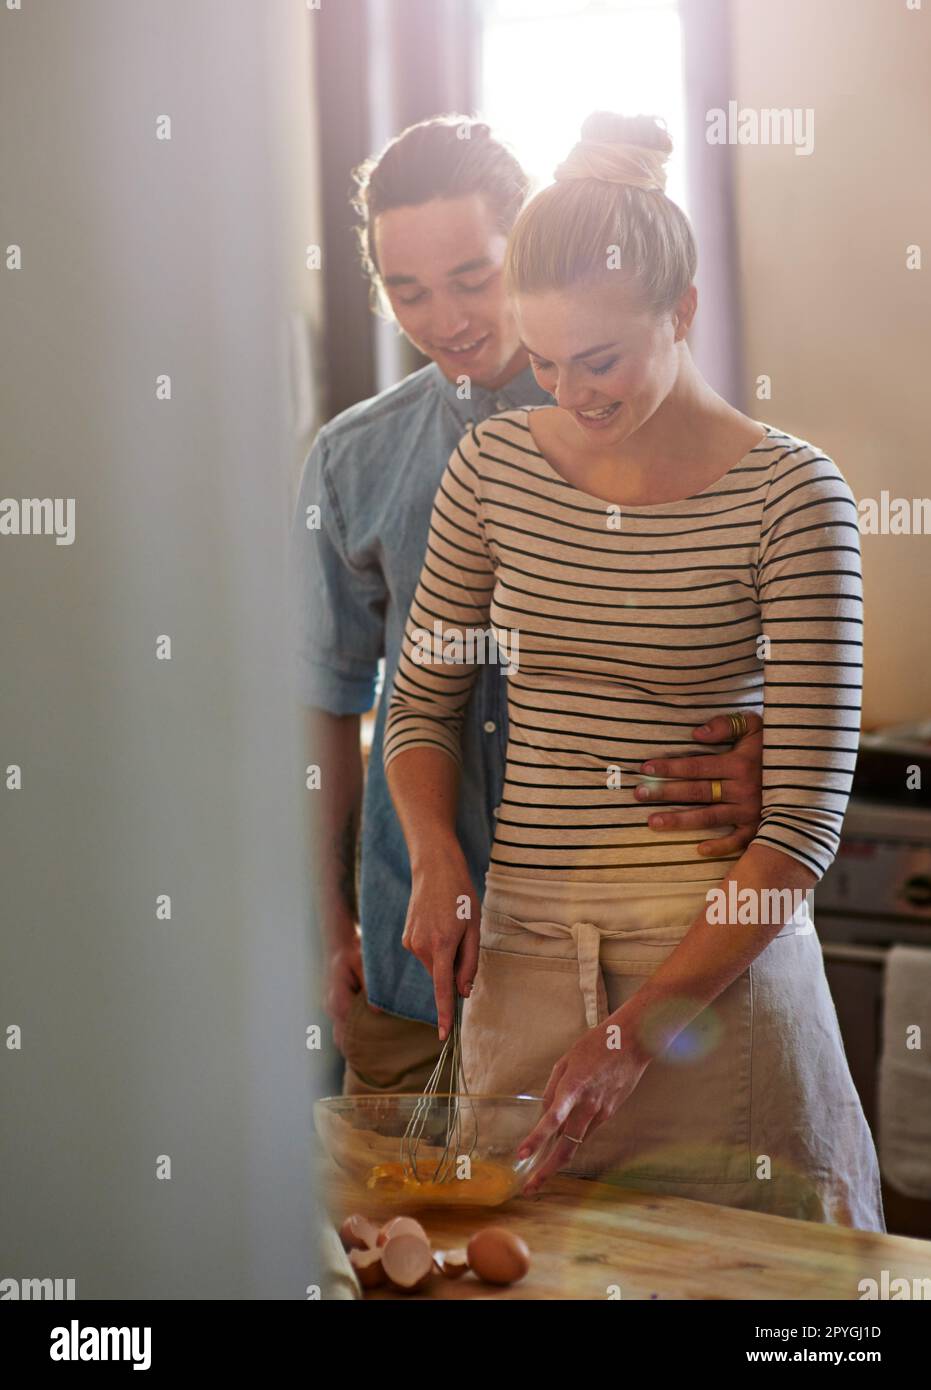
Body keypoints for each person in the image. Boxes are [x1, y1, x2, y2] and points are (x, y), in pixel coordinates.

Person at [383, 112, 884, 1231]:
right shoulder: (494, 467)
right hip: (522, 962)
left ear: (684, 312)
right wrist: (431, 856)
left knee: (769, 1300)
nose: (570, 393)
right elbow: (420, 701)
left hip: (716, 984)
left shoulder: (794, 495)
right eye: (546, 359)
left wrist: (632, 1034)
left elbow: (801, 823)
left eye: (600, 360)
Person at [292, 115, 766, 1099]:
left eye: (473, 277)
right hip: (417, 960)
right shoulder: (351, 461)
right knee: (409, 1241)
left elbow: (749, 645)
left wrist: (766, 748)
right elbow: (331, 700)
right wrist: (330, 919)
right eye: (407, 290)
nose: (446, 318)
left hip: (635, 961)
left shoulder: (658, 427)